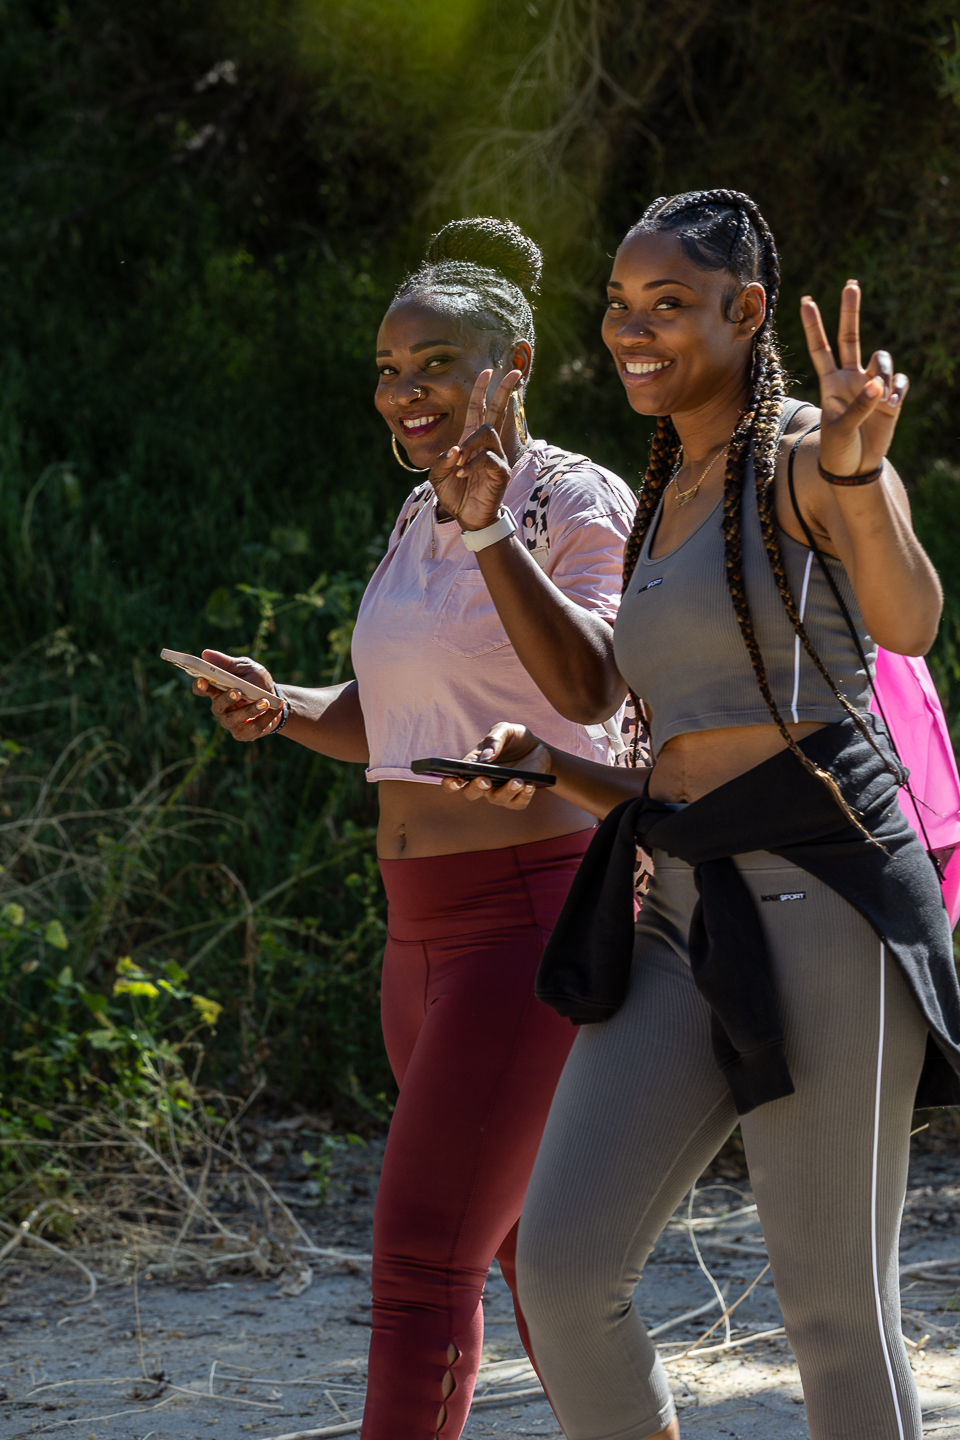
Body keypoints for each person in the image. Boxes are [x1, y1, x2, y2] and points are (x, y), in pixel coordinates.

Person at [440, 190, 960, 1440]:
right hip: (684, 905)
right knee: (564, 1272)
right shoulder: (669, 490)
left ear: (748, 312)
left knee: (834, 1314)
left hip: (825, 901)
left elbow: (907, 620)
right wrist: (487, 534)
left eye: (670, 305)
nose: (635, 330)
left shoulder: (796, 456)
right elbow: (601, 696)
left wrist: (862, 463)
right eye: (621, 305)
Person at [190, 216, 638, 1439]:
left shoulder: (568, 496)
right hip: (420, 945)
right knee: (529, 1266)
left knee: (422, 1262)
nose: (406, 393)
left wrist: (495, 527)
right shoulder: (415, 515)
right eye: (390, 371)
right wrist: (278, 705)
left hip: (529, 921)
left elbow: (597, 678)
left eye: (434, 364)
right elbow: (389, 718)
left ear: (515, 364)